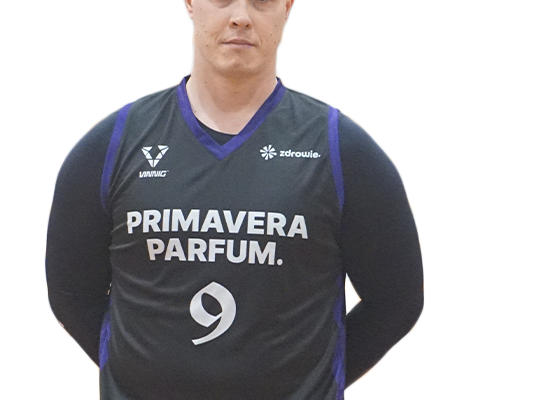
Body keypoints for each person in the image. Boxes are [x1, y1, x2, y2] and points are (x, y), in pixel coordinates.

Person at [44, 0, 424, 399]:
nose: (241, 16)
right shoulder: (111, 144)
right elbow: (70, 292)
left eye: (262, 1)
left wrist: (318, 379)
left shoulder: (342, 148)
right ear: (190, 4)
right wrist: (130, 370)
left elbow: (397, 300)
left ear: (287, 8)